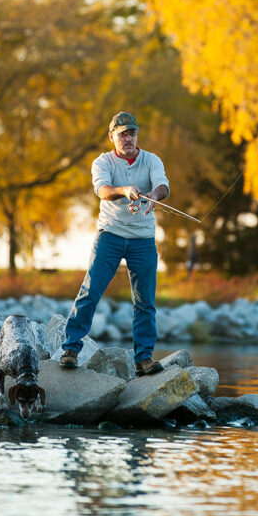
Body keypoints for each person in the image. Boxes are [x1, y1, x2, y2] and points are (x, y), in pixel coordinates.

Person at [59, 111, 170, 376]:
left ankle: (143, 359)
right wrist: (124, 190)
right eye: (122, 135)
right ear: (112, 137)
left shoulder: (151, 160)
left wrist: (154, 195)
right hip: (110, 235)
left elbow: (163, 186)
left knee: (145, 302)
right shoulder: (102, 162)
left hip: (143, 239)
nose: (128, 138)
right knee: (91, 291)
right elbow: (103, 190)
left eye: (132, 133)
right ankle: (71, 349)